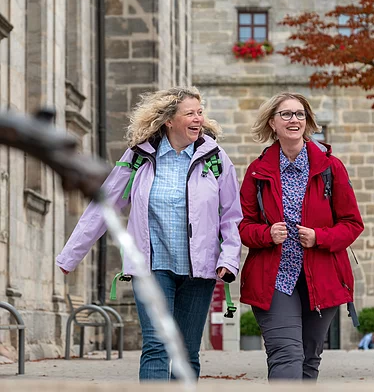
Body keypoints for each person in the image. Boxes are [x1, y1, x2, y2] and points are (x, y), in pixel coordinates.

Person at [56, 86, 242, 381]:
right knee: (156, 346)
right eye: (190, 113)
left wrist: (229, 259)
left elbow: (232, 216)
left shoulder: (215, 159)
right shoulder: (139, 156)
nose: (198, 119)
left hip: (201, 269)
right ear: (169, 120)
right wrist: (70, 256)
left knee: (186, 351)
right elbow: (103, 207)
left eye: (200, 112)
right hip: (153, 266)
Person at [239, 92, 364, 381]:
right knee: (286, 355)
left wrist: (319, 237)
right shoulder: (258, 172)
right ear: (272, 122)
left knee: (309, 359)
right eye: (286, 114)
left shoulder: (330, 167)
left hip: (322, 277)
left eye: (300, 114)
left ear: (307, 122)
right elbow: (244, 226)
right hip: (275, 279)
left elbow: (352, 223)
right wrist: (267, 233)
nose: (294, 119)